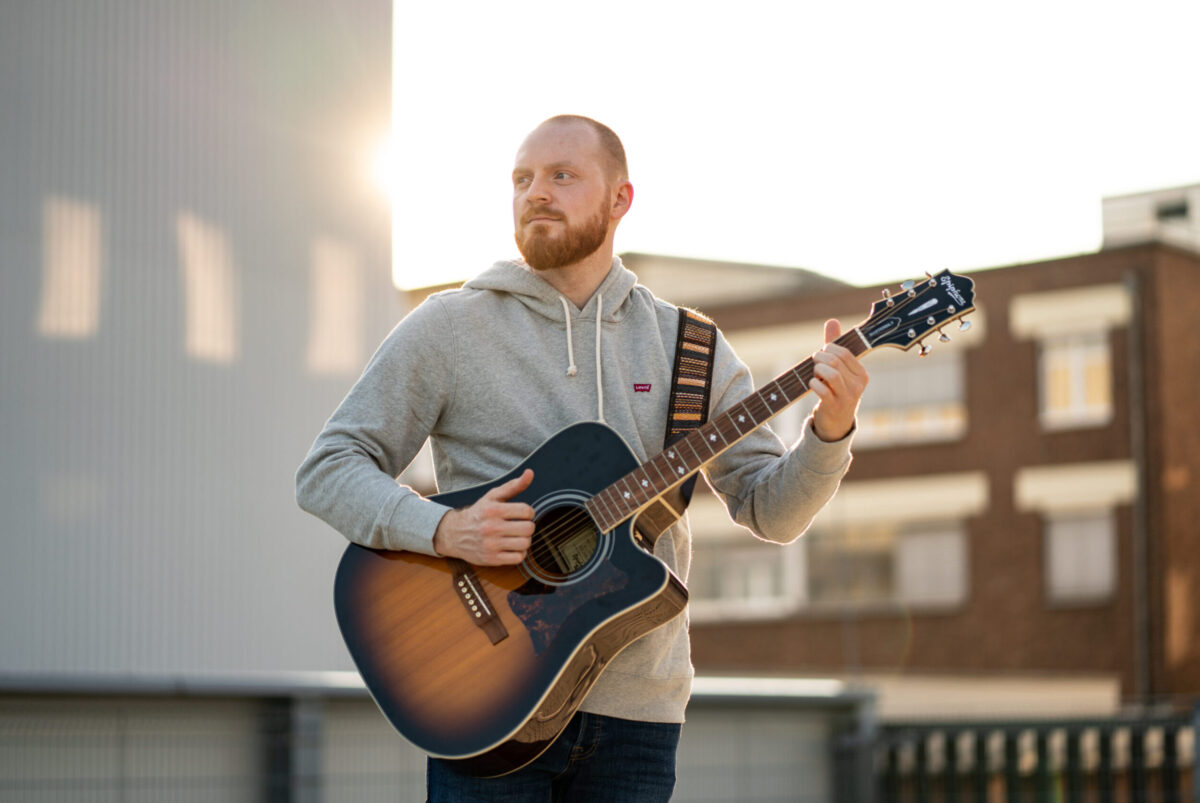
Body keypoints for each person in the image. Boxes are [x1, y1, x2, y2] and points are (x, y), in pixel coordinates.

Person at [296, 114, 868, 802]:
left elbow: (770, 511)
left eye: (561, 176)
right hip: (482, 701)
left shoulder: (691, 347)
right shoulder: (449, 327)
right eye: (522, 179)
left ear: (620, 199)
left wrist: (829, 432)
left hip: (638, 718)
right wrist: (442, 529)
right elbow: (328, 468)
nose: (536, 192)